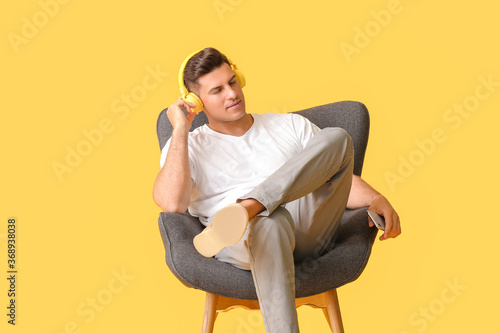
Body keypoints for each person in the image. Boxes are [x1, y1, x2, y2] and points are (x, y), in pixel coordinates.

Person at [153, 47, 401, 333]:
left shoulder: (288, 125)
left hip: (308, 229)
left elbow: (334, 174)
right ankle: (253, 213)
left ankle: (250, 206)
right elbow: (171, 203)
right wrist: (181, 129)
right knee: (269, 222)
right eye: (217, 90)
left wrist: (377, 198)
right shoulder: (188, 146)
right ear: (196, 102)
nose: (232, 93)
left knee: (337, 137)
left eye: (233, 82)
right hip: (244, 241)